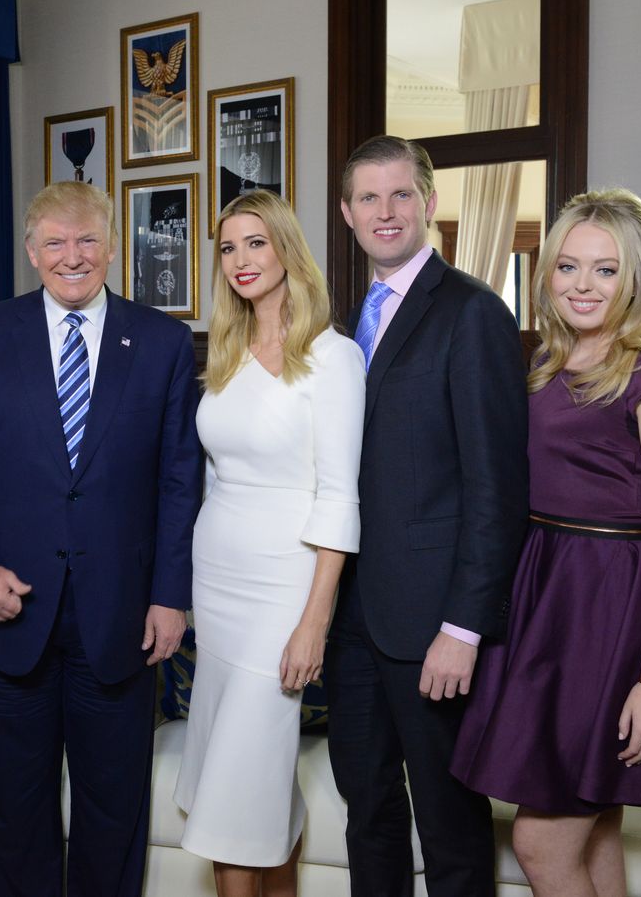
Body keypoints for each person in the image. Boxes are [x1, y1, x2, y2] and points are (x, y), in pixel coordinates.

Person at [0, 180, 201, 897]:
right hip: (10, 613)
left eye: (86, 241)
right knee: (16, 813)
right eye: (54, 242)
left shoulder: (166, 342)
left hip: (123, 619)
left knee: (114, 813)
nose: (71, 257)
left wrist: (172, 597)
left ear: (112, 246)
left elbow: (180, 480)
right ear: (30, 250)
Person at [451, 188, 641, 896]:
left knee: (542, 843)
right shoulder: (547, 363)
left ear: (634, 278)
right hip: (546, 603)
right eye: (568, 266)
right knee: (594, 829)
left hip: (608, 618)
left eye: (604, 270)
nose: (583, 285)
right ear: (546, 275)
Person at [327, 135, 529, 897]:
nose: (387, 212)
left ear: (430, 204)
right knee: (367, 811)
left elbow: (496, 487)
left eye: (401, 195)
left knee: (449, 826)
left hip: (433, 628)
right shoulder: (347, 324)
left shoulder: (472, 312)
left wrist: (464, 627)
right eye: (370, 198)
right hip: (352, 620)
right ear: (347, 212)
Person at [173, 191, 364, 897]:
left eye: (256, 243)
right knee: (257, 795)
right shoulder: (224, 354)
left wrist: (314, 621)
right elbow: (217, 479)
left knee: (232, 803)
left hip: (283, 592)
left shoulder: (332, 358)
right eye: (228, 248)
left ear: (286, 249)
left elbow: (340, 497)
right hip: (217, 588)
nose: (242, 260)